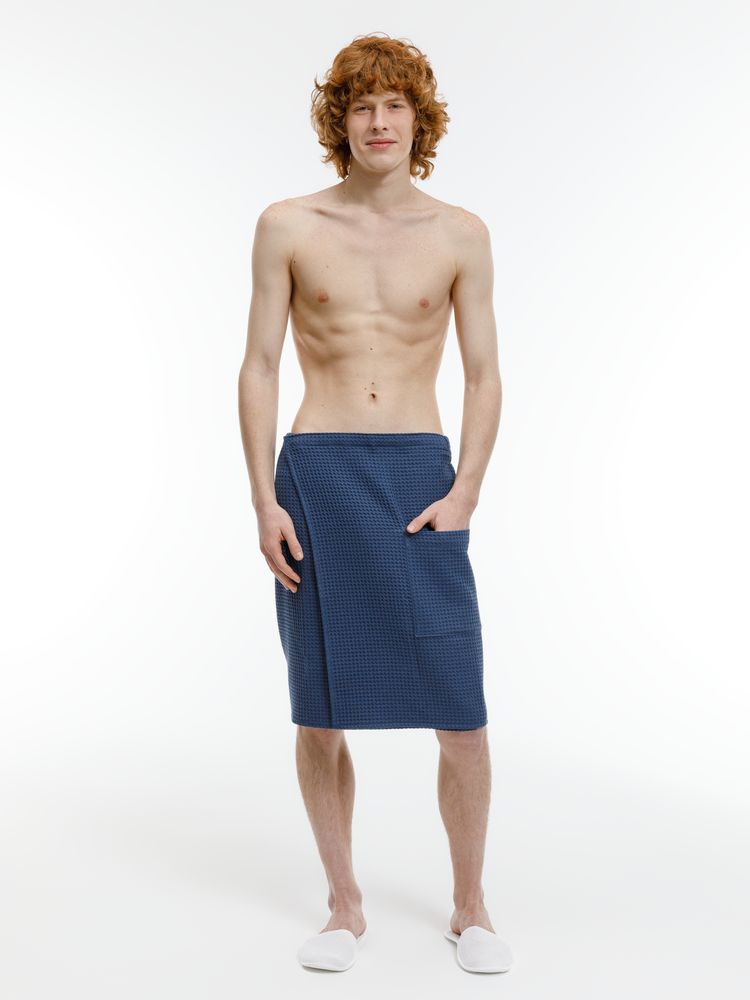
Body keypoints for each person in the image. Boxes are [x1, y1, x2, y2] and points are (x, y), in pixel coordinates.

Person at [238, 33, 511, 974]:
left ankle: (470, 905)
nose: (379, 121)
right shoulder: (288, 224)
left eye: (395, 105)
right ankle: (343, 906)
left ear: (419, 121)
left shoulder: (460, 234)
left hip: (420, 478)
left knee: (462, 714)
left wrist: (465, 489)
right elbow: (259, 366)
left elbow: (484, 374)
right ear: (340, 121)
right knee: (319, 711)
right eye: (362, 106)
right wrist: (263, 499)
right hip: (315, 472)